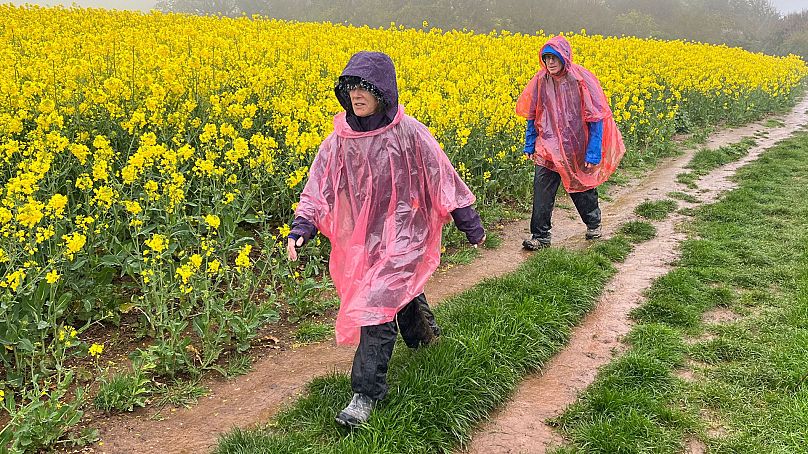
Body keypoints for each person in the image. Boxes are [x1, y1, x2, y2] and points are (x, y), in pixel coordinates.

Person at [286, 51, 485, 428]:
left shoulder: (408, 132)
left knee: (377, 304)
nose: (356, 94)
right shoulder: (338, 141)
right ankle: (425, 340)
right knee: (396, 291)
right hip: (365, 240)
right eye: (350, 87)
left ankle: (365, 394)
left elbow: (441, 174)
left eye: (365, 87)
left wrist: (468, 220)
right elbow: (319, 189)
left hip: (406, 232)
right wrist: (302, 227)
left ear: (384, 92)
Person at [516, 35, 625, 250]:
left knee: (580, 187)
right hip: (547, 147)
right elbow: (532, 113)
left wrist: (593, 152)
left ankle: (593, 224)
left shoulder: (581, 79)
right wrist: (530, 143)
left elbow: (596, 117)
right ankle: (540, 237)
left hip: (575, 146)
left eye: (554, 58)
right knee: (541, 191)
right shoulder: (540, 80)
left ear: (564, 57)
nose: (550, 63)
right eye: (546, 58)